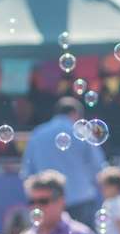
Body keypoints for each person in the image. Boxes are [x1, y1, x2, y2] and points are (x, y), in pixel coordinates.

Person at [22, 97, 107, 227]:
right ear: (75, 114)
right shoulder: (83, 133)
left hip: (47, 201)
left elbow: (28, 171)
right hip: (81, 199)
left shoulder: (38, 134)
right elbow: (98, 167)